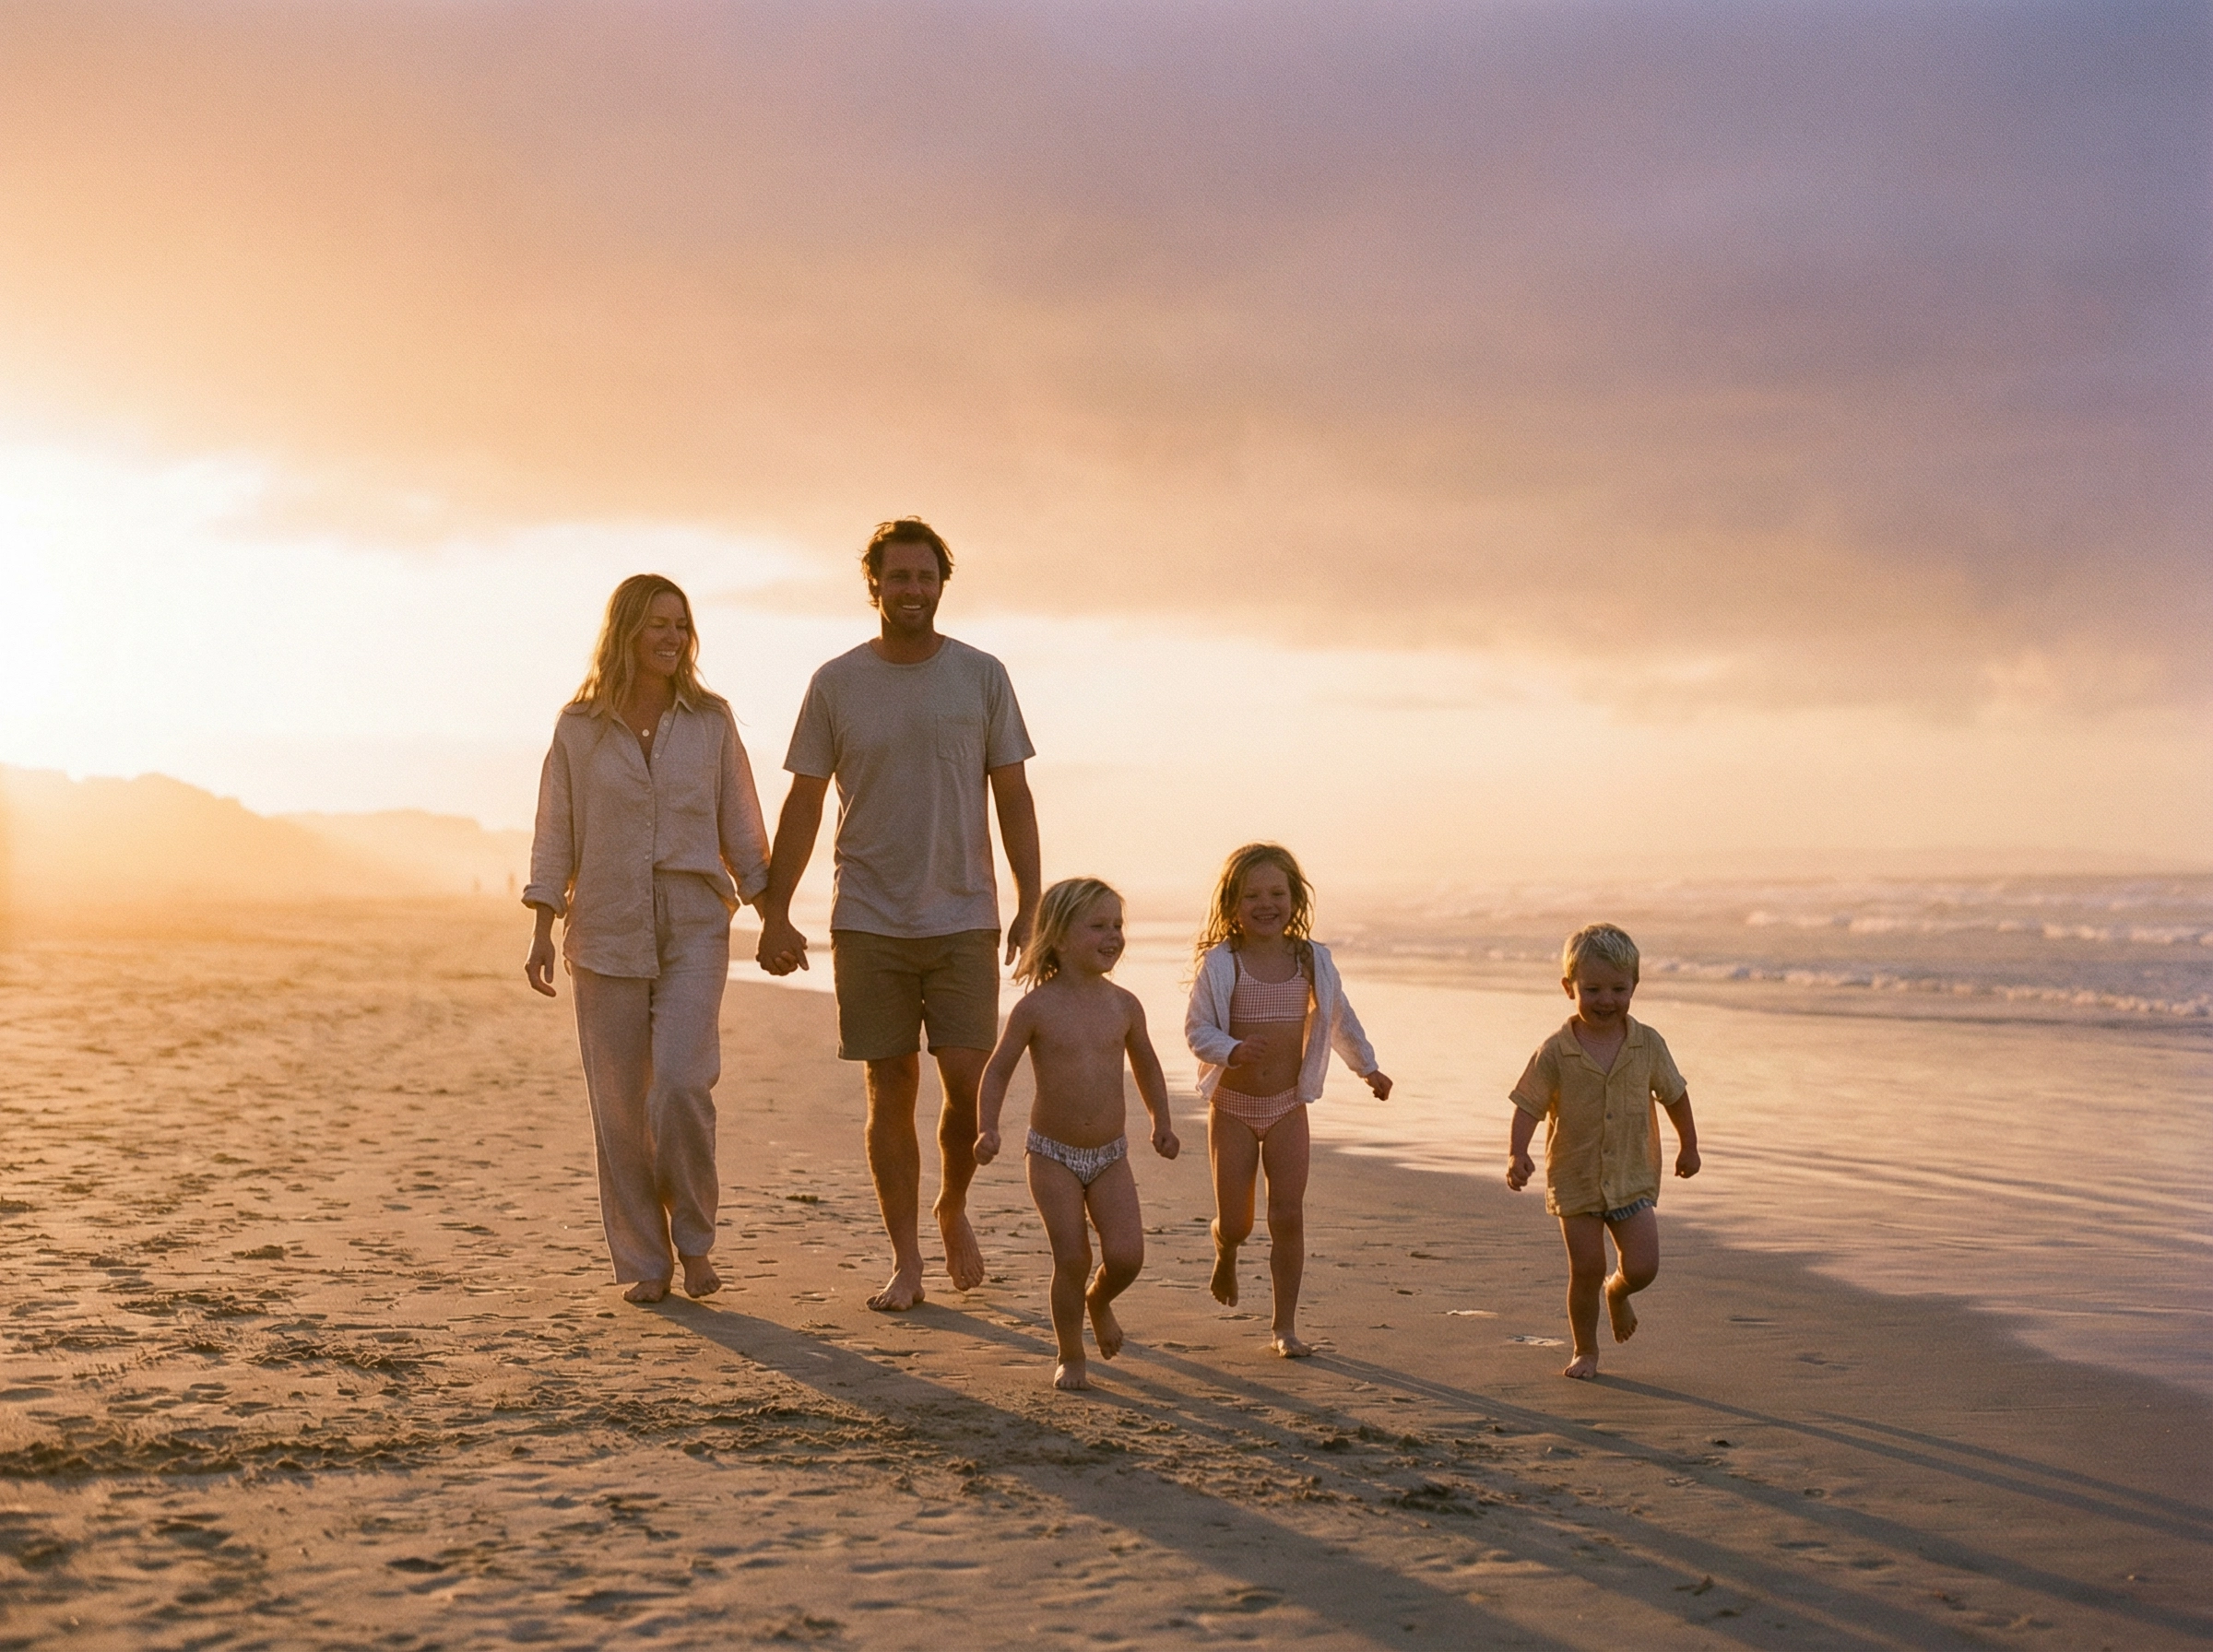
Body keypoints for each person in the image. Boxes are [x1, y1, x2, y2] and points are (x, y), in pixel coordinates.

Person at [754, 518, 1041, 1312]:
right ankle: (906, 1259)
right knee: (889, 1085)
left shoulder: (981, 676)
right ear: (873, 584)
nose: (912, 590)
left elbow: (1013, 795)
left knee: (964, 1082)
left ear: (942, 584)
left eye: (926, 577)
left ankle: (951, 1205)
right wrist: (776, 912)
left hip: (963, 914)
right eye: (898, 577)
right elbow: (804, 803)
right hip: (870, 916)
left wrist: (1031, 900)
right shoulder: (837, 682)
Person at [523, 574, 771, 1304]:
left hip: (695, 919)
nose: (671, 638)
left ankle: (694, 1241)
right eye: (657, 624)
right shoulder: (578, 727)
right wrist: (542, 926)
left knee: (681, 1087)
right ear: (625, 631)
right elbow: (554, 831)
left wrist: (773, 912)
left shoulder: (711, 721)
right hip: (602, 927)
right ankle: (647, 1261)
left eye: (681, 626)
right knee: (620, 1105)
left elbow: (743, 826)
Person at [1185, 843, 1391, 1357]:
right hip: (1232, 1107)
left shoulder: (1312, 960)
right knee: (1238, 1222)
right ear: (1232, 904)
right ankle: (1225, 1248)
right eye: (1252, 894)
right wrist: (1231, 1049)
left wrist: (1367, 1067)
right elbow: (1197, 1029)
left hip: (1286, 1106)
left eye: (1277, 892)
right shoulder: (1221, 962)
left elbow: (1339, 1017)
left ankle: (1284, 1326)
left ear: (1296, 899)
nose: (1265, 903)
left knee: (1287, 1216)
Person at [975, 878, 1179, 1390]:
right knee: (1072, 1256)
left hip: (1110, 1155)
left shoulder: (1125, 1005)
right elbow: (998, 1069)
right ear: (1060, 938)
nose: (1113, 936)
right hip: (1051, 1155)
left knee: (1127, 1256)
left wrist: (1162, 1122)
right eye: (1098, 926)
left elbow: (1150, 1067)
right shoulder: (1035, 1009)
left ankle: (1099, 1300)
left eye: (1118, 925)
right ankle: (1071, 1355)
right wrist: (988, 1127)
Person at [1506, 923, 1702, 1378]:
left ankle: (1620, 1293)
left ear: (1635, 986)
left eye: (1618, 988)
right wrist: (1517, 1152)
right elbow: (1527, 1104)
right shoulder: (1556, 1051)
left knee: (1644, 1267)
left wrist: (1689, 1144)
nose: (1606, 1000)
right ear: (1568, 988)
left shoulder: (1648, 1044)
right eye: (1592, 989)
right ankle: (1585, 1351)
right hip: (1574, 1180)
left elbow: (1674, 1095)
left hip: (1633, 1176)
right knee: (1587, 1269)